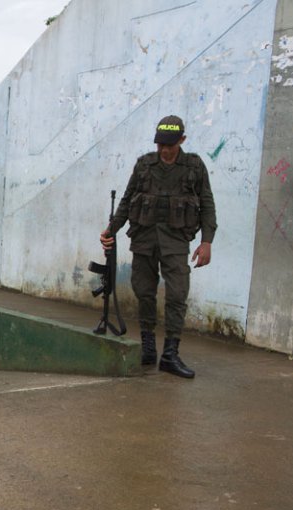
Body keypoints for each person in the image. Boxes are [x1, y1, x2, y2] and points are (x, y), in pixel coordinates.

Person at [100, 115, 217, 378]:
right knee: (144, 292)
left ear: (182, 141)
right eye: (160, 145)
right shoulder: (144, 165)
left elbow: (207, 203)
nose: (164, 150)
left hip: (176, 241)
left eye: (170, 145)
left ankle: (170, 355)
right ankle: (148, 347)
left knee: (177, 295)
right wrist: (112, 229)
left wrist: (206, 241)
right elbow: (128, 199)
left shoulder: (194, 167)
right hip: (144, 239)